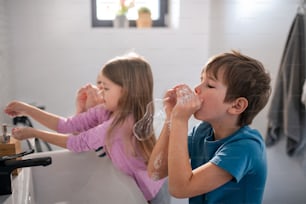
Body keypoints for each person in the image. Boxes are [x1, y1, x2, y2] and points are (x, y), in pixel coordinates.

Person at [4, 52, 169, 204]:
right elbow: (66, 125)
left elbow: (77, 143)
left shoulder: (122, 124)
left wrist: (33, 133)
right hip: (136, 187)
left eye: (105, 88)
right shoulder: (107, 111)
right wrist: (27, 109)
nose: (100, 92)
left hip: (152, 192)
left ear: (125, 92)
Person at [147, 50, 271, 204]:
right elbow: (155, 172)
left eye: (210, 85)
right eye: (201, 80)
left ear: (237, 105)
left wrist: (180, 121)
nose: (197, 88)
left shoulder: (246, 147)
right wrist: (171, 117)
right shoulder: (203, 132)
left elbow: (180, 189)